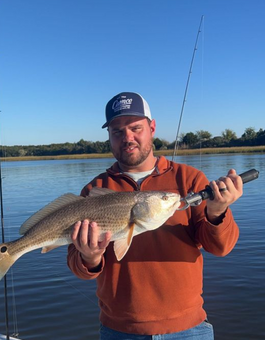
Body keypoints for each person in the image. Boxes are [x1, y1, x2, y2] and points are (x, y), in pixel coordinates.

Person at [67, 92, 242, 339]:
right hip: (120, 331)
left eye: (136, 128)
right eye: (117, 132)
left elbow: (221, 247)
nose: (127, 137)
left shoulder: (189, 179)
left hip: (189, 329)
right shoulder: (95, 190)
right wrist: (90, 257)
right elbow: (78, 267)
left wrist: (217, 211)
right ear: (109, 137)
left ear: (152, 128)